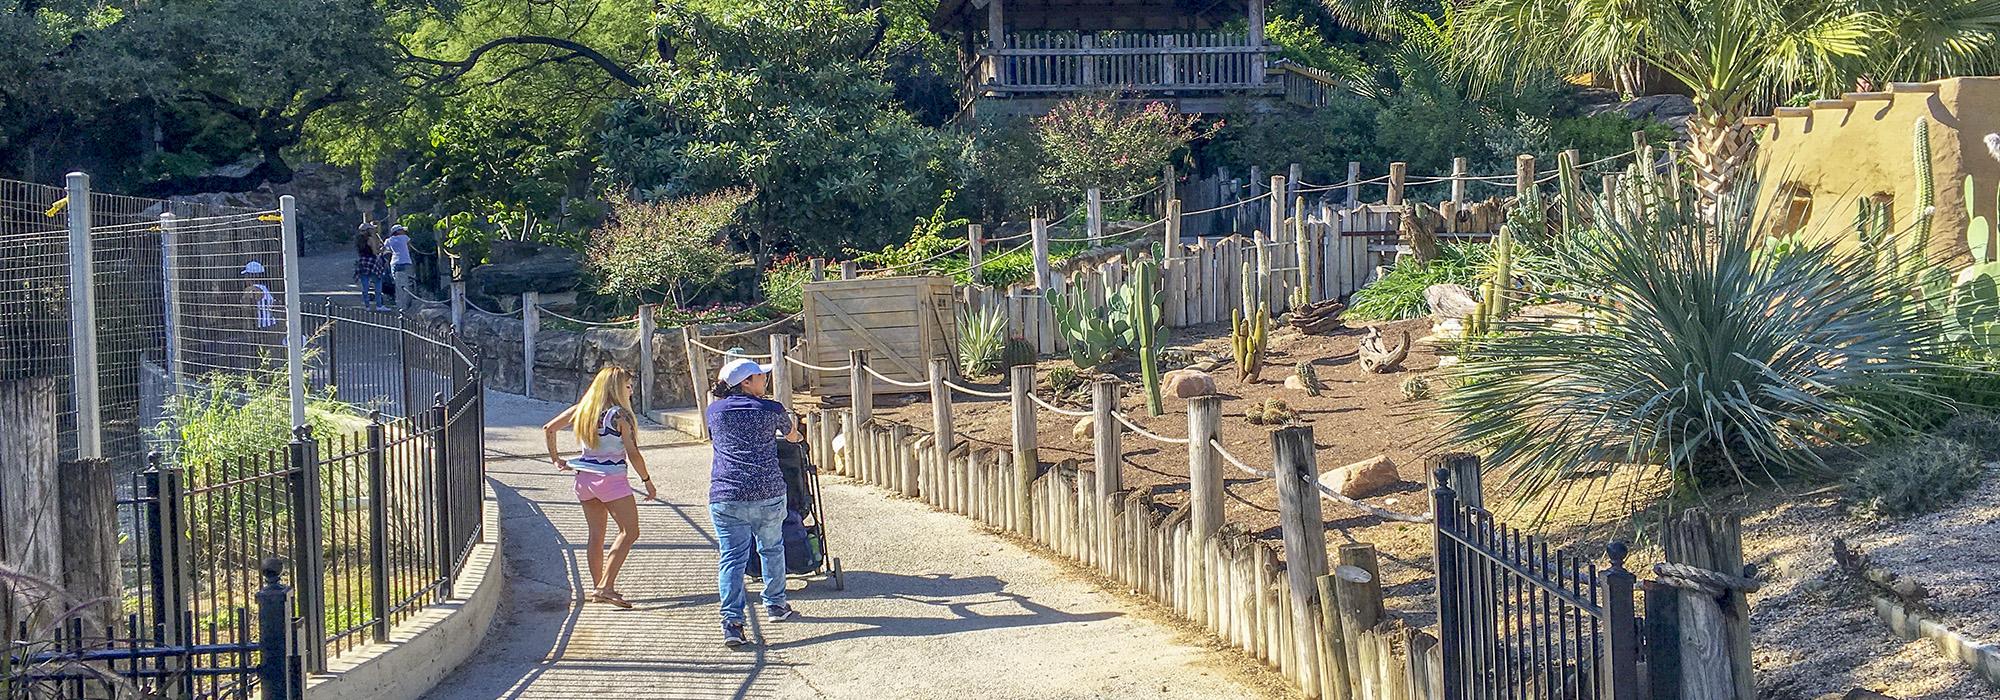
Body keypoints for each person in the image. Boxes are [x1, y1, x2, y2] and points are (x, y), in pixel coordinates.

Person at [706, 357, 804, 647]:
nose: (765, 380)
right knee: (772, 548)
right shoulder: (771, 409)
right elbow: (791, 435)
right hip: (767, 492)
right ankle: (775, 604)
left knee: (731, 558)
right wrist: (795, 431)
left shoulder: (714, 410)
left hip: (726, 494)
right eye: (760, 377)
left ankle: (733, 623)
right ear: (745, 382)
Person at [542, 366, 657, 609]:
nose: (631, 389)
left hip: (584, 478)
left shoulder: (582, 410)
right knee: (629, 531)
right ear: (616, 388)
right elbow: (633, 453)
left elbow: (549, 428)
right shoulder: (620, 416)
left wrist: (556, 459)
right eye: (627, 385)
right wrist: (647, 481)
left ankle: (599, 586)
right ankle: (606, 586)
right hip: (611, 479)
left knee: (596, 535)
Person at [353, 223, 390, 311]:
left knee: (365, 286)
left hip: (362, 261)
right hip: (372, 261)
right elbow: (374, 252)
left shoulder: (358, 240)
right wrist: (381, 249)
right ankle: (379, 305)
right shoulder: (370, 239)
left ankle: (367, 306)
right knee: (377, 283)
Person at [383, 224, 414, 311]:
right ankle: (405, 305)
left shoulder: (389, 240)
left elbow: (386, 249)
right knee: (407, 284)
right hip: (406, 261)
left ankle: (400, 305)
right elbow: (409, 247)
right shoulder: (405, 238)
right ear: (398, 231)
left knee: (398, 285)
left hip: (395, 262)